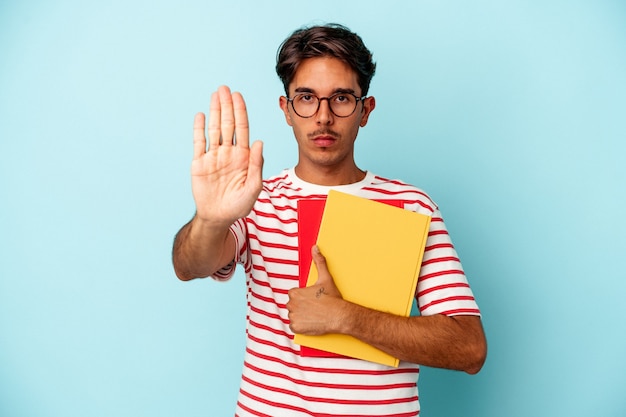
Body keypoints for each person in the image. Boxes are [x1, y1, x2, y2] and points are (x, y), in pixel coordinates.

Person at [172, 23, 487, 417]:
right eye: (306, 97)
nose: (323, 117)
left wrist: (344, 316)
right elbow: (189, 266)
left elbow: (469, 348)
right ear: (287, 110)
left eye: (340, 98)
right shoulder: (254, 200)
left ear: (365, 110)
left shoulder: (411, 205)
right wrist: (211, 219)